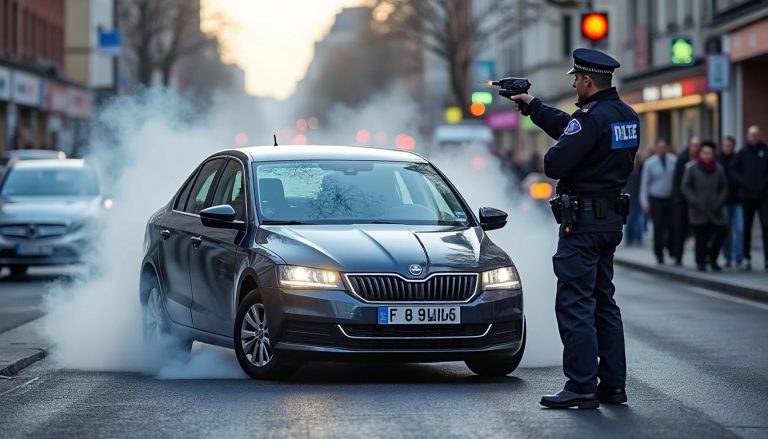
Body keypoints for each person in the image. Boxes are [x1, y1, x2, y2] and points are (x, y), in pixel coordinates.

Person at [507, 48, 637, 409]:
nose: (575, 84)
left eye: (577, 78)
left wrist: (558, 148)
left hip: (583, 224)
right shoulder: (626, 115)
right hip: (610, 220)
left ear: (587, 80)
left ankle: (581, 385)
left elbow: (555, 162)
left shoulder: (590, 118)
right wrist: (533, 106)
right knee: (604, 303)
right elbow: (575, 131)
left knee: (575, 304)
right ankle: (613, 386)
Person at [680, 141, 728, 271]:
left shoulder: (718, 169)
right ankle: (700, 261)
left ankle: (712, 258)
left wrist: (719, 201)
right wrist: (694, 201)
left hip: (715, 210)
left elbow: (724, 187)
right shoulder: (692, 167)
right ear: (700, 154)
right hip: (698, 210)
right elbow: (685, 186)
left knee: (721, 232)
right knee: (701, 237)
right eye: (705, 153)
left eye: (709, 153)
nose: (707, 155)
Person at [731, 125, 768, 271]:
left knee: (766, 226)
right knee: (746, 227)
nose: (754, 137)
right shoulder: (742, 152)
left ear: (760, 135)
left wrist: (764, 183)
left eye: (756, 134)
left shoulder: (765, 151)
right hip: (747, 196)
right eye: (751, 135)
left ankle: (767, 258)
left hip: (764, 195)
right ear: (747, 136)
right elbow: (733, 170)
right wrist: (743, 182)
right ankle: (746, 257)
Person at [640, 139, 677, 263]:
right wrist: (644, 202)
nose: (661, 150)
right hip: (655, 198)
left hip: (670, 198)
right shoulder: (650, 163)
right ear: (656, 149)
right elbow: (645, 183)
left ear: (667, 148)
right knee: (658, 226)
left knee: (672, 225)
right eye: (659, 147)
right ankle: (659, 253)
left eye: (663, 147)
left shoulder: (673, 160)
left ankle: (671, 248)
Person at [671, 136, 702, 265]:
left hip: (698, 201)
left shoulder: (702, 159)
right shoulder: (682, 159)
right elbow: (677, 181)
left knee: (699, 230)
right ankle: (678, 256)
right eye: (693, 145)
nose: (695, 148)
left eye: (697, 145)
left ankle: (700, 259)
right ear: (689, 146)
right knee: (680, 230)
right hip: (682, 200)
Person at [717, 136, 744, 268]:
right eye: (725, 145)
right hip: (723, 201)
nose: (727, 148)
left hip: (738, 200)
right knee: (726, 230)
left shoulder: (739, 159)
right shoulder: (717, 160)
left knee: (739, 229)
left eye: (730, 145)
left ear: (733, 146)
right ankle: (727, 256)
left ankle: (738, 256)